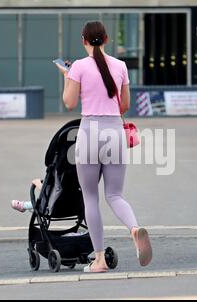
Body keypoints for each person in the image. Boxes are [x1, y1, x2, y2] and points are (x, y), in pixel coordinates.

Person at [55, 21, 152, 273]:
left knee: (90, 197)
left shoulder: (78, 67)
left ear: (83, 40)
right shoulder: (120, 66)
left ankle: (99, 260)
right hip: (114, 132)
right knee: (115, 195)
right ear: (107, 39)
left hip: (90, 132)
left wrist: (67, 77)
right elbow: (125, 105)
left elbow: (69, 102)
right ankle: (133, 229)